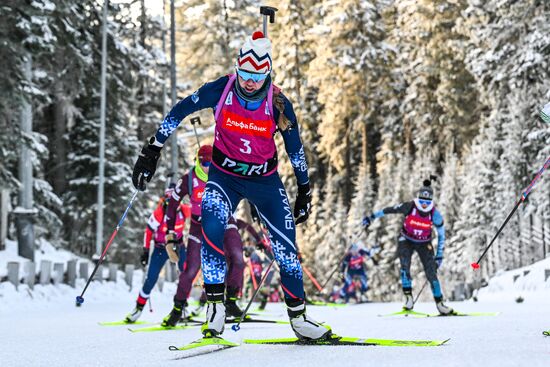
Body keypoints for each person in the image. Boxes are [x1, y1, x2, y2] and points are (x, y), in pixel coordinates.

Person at [132, 31, 330, 340]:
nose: (250, 81)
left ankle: (299, 317)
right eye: (245, 73)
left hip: (265, 180)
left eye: (258, 75)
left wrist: (304, 188)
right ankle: (215, 307)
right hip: (225, 177)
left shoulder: (277, 101)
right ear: (237, 68)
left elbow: (295, 148)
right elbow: (179, 110)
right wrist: (152, 149)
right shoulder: (220, 89)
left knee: (286, 247)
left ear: (268, 73)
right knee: (211, 223)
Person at [160, 145, 249, 326]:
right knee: (192, 269)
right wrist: (170, 233)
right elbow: (172, 205)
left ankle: (231, 301)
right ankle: (177, 309)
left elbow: (247, 189)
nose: (209, 167)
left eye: (213, 163)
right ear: (199, 162)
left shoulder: (224, 173)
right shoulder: (189, 179)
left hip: (224, 220)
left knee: (238, 259)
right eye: (206, 163)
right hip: (198, 225)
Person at [363, 179, 453, 315]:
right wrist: (372, 217)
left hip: (424, 243)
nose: (424, 205)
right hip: (406, 240)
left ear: (431, 202)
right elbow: (390, 210)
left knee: (431, 272)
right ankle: (408, 298)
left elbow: (441, 235)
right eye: (422, 201)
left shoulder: (435, 214)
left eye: (427, 203)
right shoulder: (410, 206)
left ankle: (440, 304)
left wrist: (439, 254)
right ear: (418, 199)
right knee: (405, 265)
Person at [125, 185, 190, 323]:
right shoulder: (159, 213)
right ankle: (138, 308)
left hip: (178, 245)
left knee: (185, 275)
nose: (173, 204)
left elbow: (199, 212)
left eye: (175, 201)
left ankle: (183, 307)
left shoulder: (184, 210)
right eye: (169, 201)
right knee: (152, 278)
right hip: (161, 248)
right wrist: (145, 251)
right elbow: (148, 232)